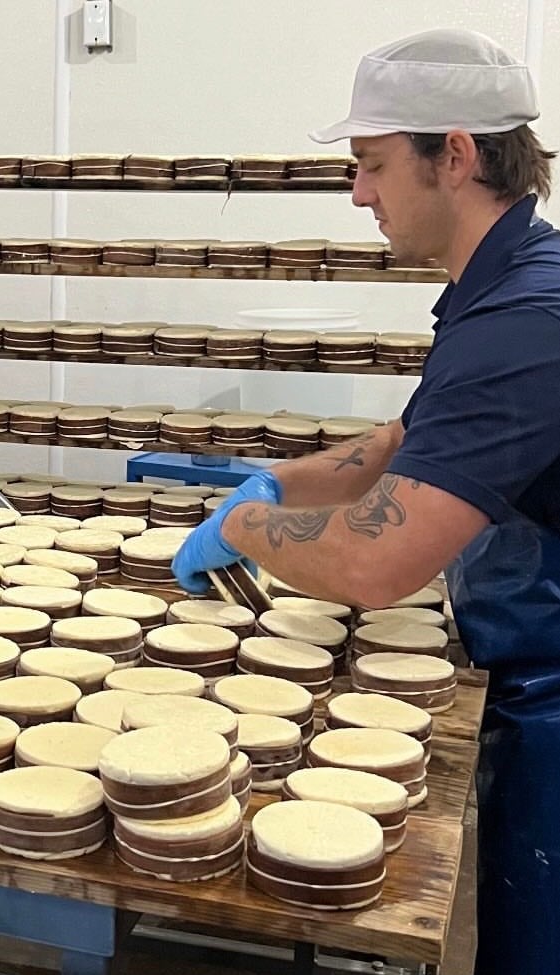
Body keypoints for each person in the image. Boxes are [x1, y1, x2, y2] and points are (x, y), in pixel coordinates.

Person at [172, 28, 559, 975]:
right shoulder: (500, 288)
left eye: (372, 165)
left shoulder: (527, 318)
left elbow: (372, 564)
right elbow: (397, 447)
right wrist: (271, 482)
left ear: (455, 155)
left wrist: (243, 527)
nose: (358, 195)